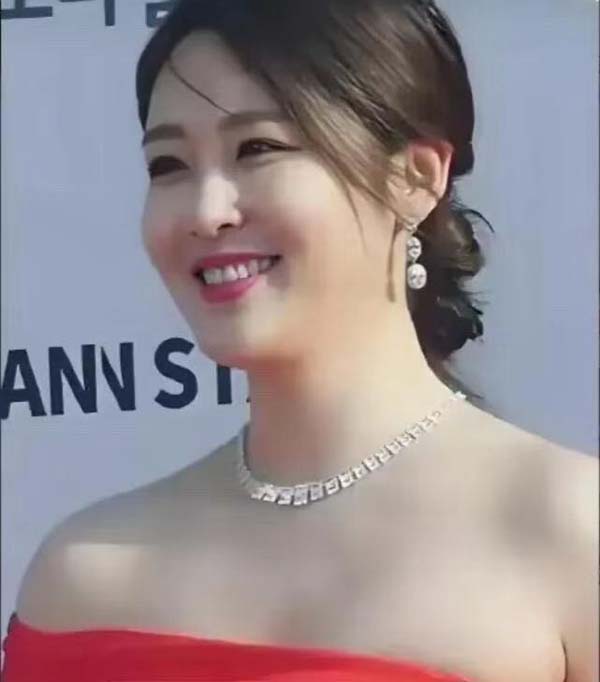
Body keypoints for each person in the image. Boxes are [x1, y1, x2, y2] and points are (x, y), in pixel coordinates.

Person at [2, 1, 597, 680]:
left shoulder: (570, 533)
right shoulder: (84, 577)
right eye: (168, 165)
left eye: (258, 149)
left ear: (416, 178)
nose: (205, 212)